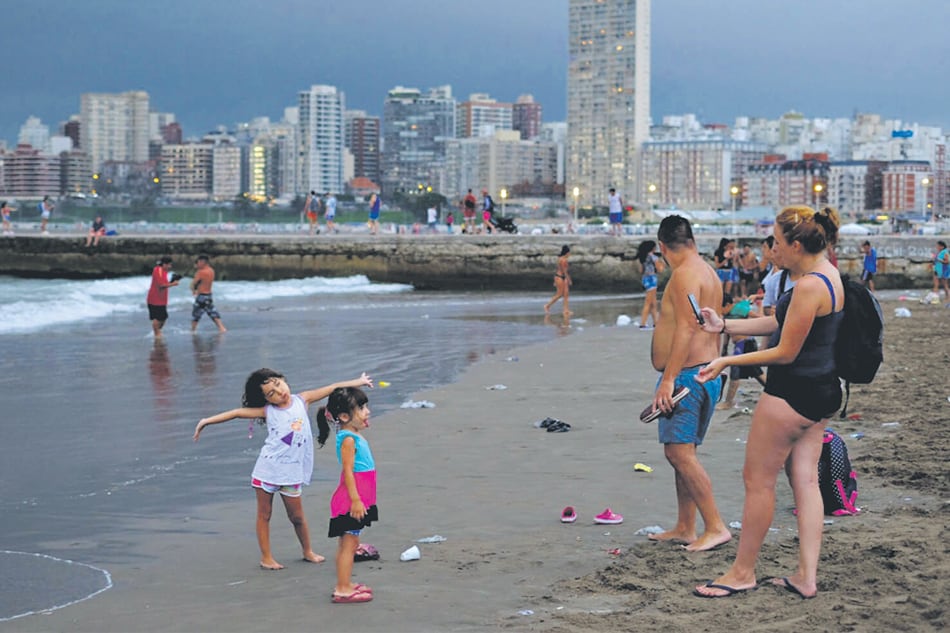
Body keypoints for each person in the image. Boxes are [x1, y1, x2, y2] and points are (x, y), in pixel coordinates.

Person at [692, 205, 843, 599]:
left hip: (791, 396)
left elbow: (785, 351)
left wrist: (726, 358)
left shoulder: (808, 285)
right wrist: (725, 325)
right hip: (823, 393)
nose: (771, 250)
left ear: (796, 244)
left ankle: (742, 572)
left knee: (757, 482)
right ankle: (806, 577)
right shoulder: (827, 275)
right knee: (805, 480)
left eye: (776, 243)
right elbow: (780, 322)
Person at [194, 370, 373, 571]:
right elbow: (236, 413)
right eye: (271, 393)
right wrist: (205, 421)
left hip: (291, 474)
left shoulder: (302, 400)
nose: (279, 392)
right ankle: (266, 557)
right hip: (267, 471)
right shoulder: (268, 411)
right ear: (265, 399)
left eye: (278, 385)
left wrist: (359, 381)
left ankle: (307, 551)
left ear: (283, 381)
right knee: (264, 514)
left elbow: (332, 387)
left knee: (297, 517)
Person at [644, 215, 730, 552]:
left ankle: (715, 526)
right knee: (683, 452)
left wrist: (667, 381)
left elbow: (686, 329)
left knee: (678, 453)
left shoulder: (682, 276)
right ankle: (685, 526)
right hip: (707, 371)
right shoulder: (709, 272)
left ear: (662, 248)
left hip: (687, 377)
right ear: (692, 240)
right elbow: (711, 325)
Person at [316, 385, 379, 603]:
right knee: (348, 544)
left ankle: (346, 583)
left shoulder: (352, 434)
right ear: (344, 416)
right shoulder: (349, 439)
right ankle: (342, 588)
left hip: (360, 495)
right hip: (352, 498)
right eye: (361, 408)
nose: (367, 411)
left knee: (350, 542)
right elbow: (348, 471)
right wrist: (355, 500)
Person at [190, 254, 227, 333]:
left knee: (196, 314)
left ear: (203, 262)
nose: (197, 264)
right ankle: (221, 328)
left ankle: (193, 330)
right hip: (208, 295)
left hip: (202, 296)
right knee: (212, 312)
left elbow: (193, 284)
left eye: (199, 262)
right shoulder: (211, 270)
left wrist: (194, 291)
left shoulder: (201, 272)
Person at [146, 256, 181, 338]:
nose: (170, 267)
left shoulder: (164, 271)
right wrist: (173, 284)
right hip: (155, 299)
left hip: (161, 299)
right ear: (164, 264)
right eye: (169, 265)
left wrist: (171, 282)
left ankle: (156, 332)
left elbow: (163, 283)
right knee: (157, 318)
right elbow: (161, 285)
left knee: (163, 317)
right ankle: (157, 335)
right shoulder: (158, 270)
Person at [636, 239, 665, 331]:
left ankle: (656, 323)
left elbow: (640, 270)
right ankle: (643, 324)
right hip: (652, 279)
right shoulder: (653, 257)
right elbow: (660, 269)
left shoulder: (643, 257)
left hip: (645, 279)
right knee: (648, 303)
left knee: (653, 303)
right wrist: (663, 264)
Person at [543, 245, 572, 317]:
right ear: (567, 253)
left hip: (561, 277)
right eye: (569, 253)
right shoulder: (563, 260)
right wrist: (569, 280)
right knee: (559, 294)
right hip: (560, 277)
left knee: (566, 294)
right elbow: (564, 271)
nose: (569, 254)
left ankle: (566, 310)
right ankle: (547, 306)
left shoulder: (560, 258)